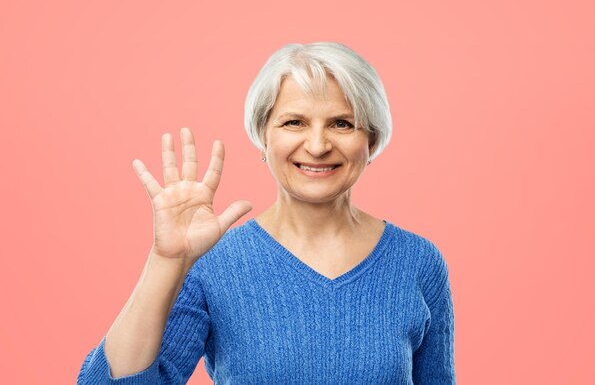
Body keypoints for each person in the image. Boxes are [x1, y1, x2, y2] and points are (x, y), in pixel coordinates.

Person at [77, 42, 456, 384]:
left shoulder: (419, 262)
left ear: (370, 140)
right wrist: (166, 260)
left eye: (341, 123)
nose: (319, 145)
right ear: (263, 135)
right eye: (295, 122)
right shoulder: (215, 261)